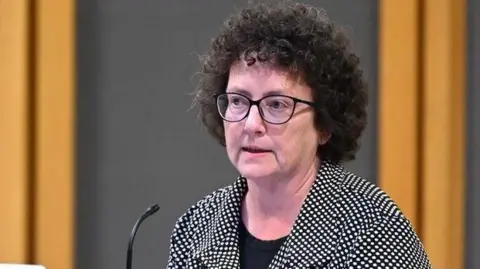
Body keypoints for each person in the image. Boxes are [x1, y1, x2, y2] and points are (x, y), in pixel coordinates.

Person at [166, 1, 432, 268]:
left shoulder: (374, 231)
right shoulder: (197, 226)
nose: (251, 124)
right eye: (238, 101)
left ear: (324, 124)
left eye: (277, 105)